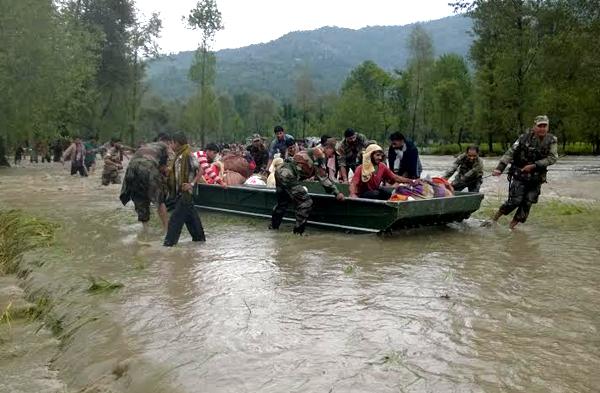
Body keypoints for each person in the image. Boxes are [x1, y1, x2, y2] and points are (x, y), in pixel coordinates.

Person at [491, 115, 558, 229]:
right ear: (534, 127)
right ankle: (494, 219)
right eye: (540, 126)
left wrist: (534, 165)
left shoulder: (552, 140)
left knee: (527, 203)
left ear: (548, 127)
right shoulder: (523, 138)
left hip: (537, 177)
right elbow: (510, 153)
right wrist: (500, 168)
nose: (542, 128)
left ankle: (511, 227)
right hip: (519, 174)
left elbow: (553, 158)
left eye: (544, 126)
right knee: (515, 201)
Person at [270, 139, 345, 235]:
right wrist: (337, 192)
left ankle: (273, 228)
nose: (332, 156)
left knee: (283, 202)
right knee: (306, 202)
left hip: (280, 172)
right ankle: (298, 233)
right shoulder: (320, 154)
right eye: (333, 153)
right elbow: (323, 178)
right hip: (288, 176)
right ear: (328, 148)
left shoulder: (313, 150)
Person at [119, 133, 171, 232]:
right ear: (168, 142)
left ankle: (145, 230)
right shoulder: (164, 146)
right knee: (159, 199)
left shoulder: (146, 146)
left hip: (131, 168)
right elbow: (163, 168)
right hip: (147, 167)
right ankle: (166, 229)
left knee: (139, 198)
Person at [163, 131, 206, 247]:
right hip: (180, 195)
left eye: (172, 143)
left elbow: (201, 169)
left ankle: (167, 247)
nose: (171, 145)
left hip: (185, 194)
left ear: (177, 143)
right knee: (194, 224)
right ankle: (200, 244)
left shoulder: (188, 155)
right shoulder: (177, 156)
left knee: (174, 222)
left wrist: (191, 184)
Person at [350, 144, 417, 200]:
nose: (380, 158)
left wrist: (411, 181)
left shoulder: (382, 166)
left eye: (381, 156)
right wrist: (353, 194)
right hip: (363, 194)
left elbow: (395, 177)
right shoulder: (361, 168)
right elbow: (353, 183)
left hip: (375, 191)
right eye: (377, 155)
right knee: (375, 193)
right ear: (370, 155)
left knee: (387, 193)